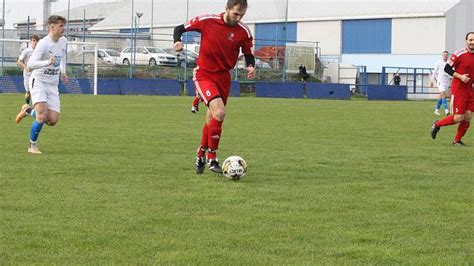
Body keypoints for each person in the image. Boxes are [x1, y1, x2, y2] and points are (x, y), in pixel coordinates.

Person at [173, 0, 256, 174]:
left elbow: (248, 53)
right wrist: (177, 42)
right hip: (204, 74)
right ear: (226, 9)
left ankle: (200, 153)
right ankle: (212, 158)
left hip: (224, 77)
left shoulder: (244, 31)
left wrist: (250, 66)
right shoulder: (207, 20)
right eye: (235, 14)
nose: (238, 18)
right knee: (220, 112)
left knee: (213, 119)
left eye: (242, 15)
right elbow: (179, 28)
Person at [15, 15, 68, 154]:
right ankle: (32, 146)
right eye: (61, 26)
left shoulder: (63, 41)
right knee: (42, 116)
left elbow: (62, 57)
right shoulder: (43, 43)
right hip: (38, 81)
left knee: (52, 120)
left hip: (52, 84)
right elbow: (31, 64)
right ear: (52, 27)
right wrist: (47, 62)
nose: (64, 28)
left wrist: (63, 71)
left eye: (64, 25)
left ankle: (27, 111)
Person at [431, 32, 474, 146]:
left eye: (473, 40)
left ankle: (457, 140)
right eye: (470, 40)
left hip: (470, 90)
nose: (472, 42)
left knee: (468, 116)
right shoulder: (459, 53)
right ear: (466, 41)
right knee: (459, 117)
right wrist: (460, 77)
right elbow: (447, 68)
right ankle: (437, 124)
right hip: (459, 89)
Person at [17, 34, 40, 107]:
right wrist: (26, 68)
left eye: (36, 41)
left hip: (37, 74)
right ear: (30, 42)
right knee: (28, 92)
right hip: (27, 74)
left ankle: (36, 106)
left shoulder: (39, 51)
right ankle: (27, 105)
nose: (35, 42)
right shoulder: (26, 51)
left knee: (36, 91)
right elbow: (19, 61)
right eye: (33, 41)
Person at [430, 51, 451, 115]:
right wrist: (431, 81)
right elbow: (434, 72)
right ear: (442, 55)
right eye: (444, 55)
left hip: (447, 81)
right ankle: (446, 110)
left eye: (446, 55)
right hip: (440, 81)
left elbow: (452, 72)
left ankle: (436, 110)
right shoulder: (438, 62)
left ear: (448, 56)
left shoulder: (449, 63)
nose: (445, 56)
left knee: (441, 96)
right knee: (443, 94)